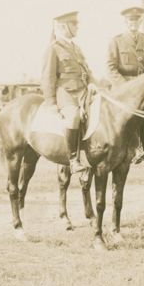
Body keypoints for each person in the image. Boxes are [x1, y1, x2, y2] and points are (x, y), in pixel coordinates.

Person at [41, 11, 92, 175]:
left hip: (83, 90)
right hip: (66, 92)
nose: (77, 26)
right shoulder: (53, 49)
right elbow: (48, 77)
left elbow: (87, 71)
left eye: (77, 23)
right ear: (64, 26)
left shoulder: (76, 48)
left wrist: (94, 85)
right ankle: (73, 160)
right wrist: (51, 103)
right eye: (74, 24)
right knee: (73, 116)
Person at [107, 6, 144, 85]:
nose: (134, 22)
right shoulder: (116, 41)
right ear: (125, 21)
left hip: (143, 85)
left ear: (140, 21)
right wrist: (124, 85)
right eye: (131, 19)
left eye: (136, 19)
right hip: (124, 86)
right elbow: (110, 68)